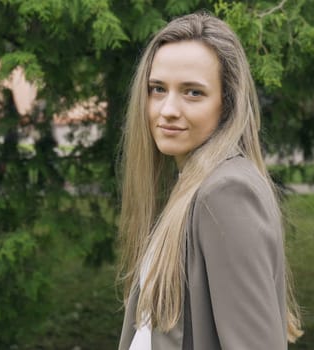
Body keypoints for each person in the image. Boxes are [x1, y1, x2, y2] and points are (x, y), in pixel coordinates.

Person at [117, 11, 303, 350]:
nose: (168, 109)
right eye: (158, 89)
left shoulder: (227, 193)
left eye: (193, 93)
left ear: (227, 104)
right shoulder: (193, 185)